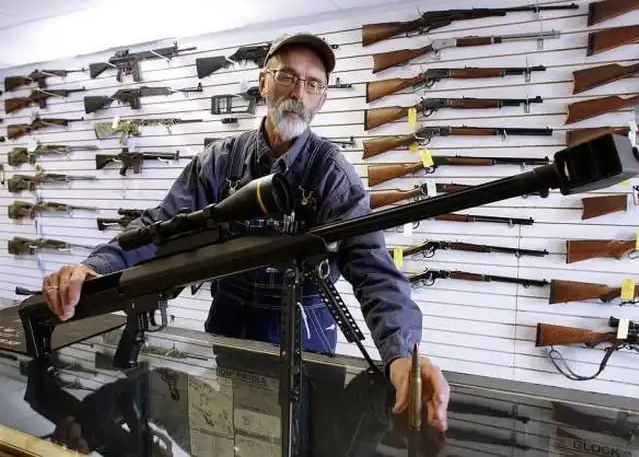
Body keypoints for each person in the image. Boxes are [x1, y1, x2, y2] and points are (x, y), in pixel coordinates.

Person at [41, 33, 450, 430]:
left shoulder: (332, 175)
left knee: (303, 438)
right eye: (287, 76)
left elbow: (373, 269)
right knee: (232, 435)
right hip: (230, 333)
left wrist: (401, 356)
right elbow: (158, 228)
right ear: (263, 82)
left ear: (322, 98)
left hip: (305, 340)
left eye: (313, 84)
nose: (298, 92)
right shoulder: (219, 160)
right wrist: (97, 267)